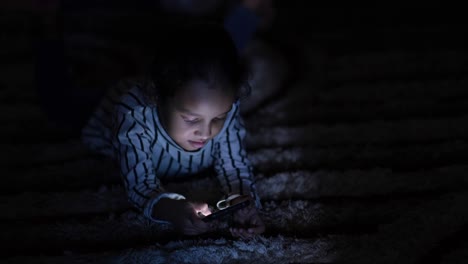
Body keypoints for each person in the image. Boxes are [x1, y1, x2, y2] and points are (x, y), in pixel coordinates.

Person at [81, 23, 265, 239]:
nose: (206, 132)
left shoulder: (227, 107)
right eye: (190, 119)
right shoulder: (134, 115)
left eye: (218, 118)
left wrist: (244, 206)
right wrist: (173, 210)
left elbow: (236, 168)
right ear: (157, 98)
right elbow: (140, 186)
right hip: (106, 121)